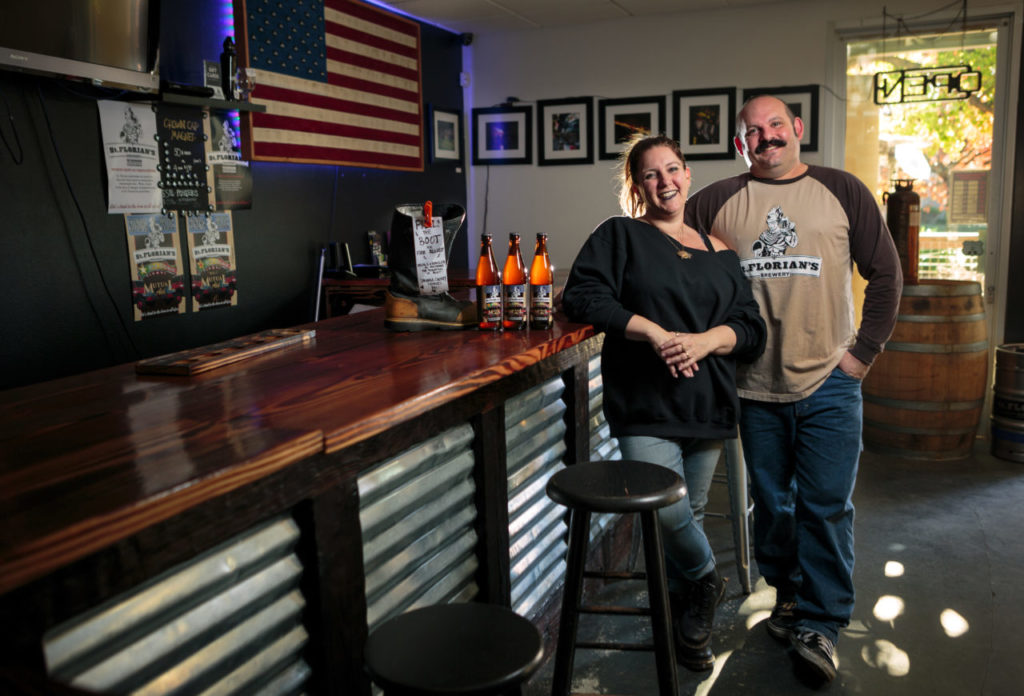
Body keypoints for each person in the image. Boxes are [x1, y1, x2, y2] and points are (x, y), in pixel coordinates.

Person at [685, 95, 903, 685]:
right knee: (773, 503)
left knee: (826, 505)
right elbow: (668, 249)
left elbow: (887, 273)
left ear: (797, 128)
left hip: (830, 382)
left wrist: (861, 356)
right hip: (753, 387)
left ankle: (822, 624)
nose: (766, 137)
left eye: (776, 125)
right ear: (741, 143)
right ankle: (788, 594)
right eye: (753, 131)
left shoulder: (842, 189)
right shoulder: (715, 201)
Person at [561, 134, 766, 672]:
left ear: (688, 174)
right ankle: (707, 580)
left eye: (672, 169)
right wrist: (655, 333)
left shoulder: (720, 252)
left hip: (709, 403)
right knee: (668, 512)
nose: (664, 181)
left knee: (689, 516)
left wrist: (702, 341)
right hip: (646, 400)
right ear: (637, 185)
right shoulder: (620, 236)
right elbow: (581, 296)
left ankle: (687, 630)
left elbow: (751, 329)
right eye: (651, 174)